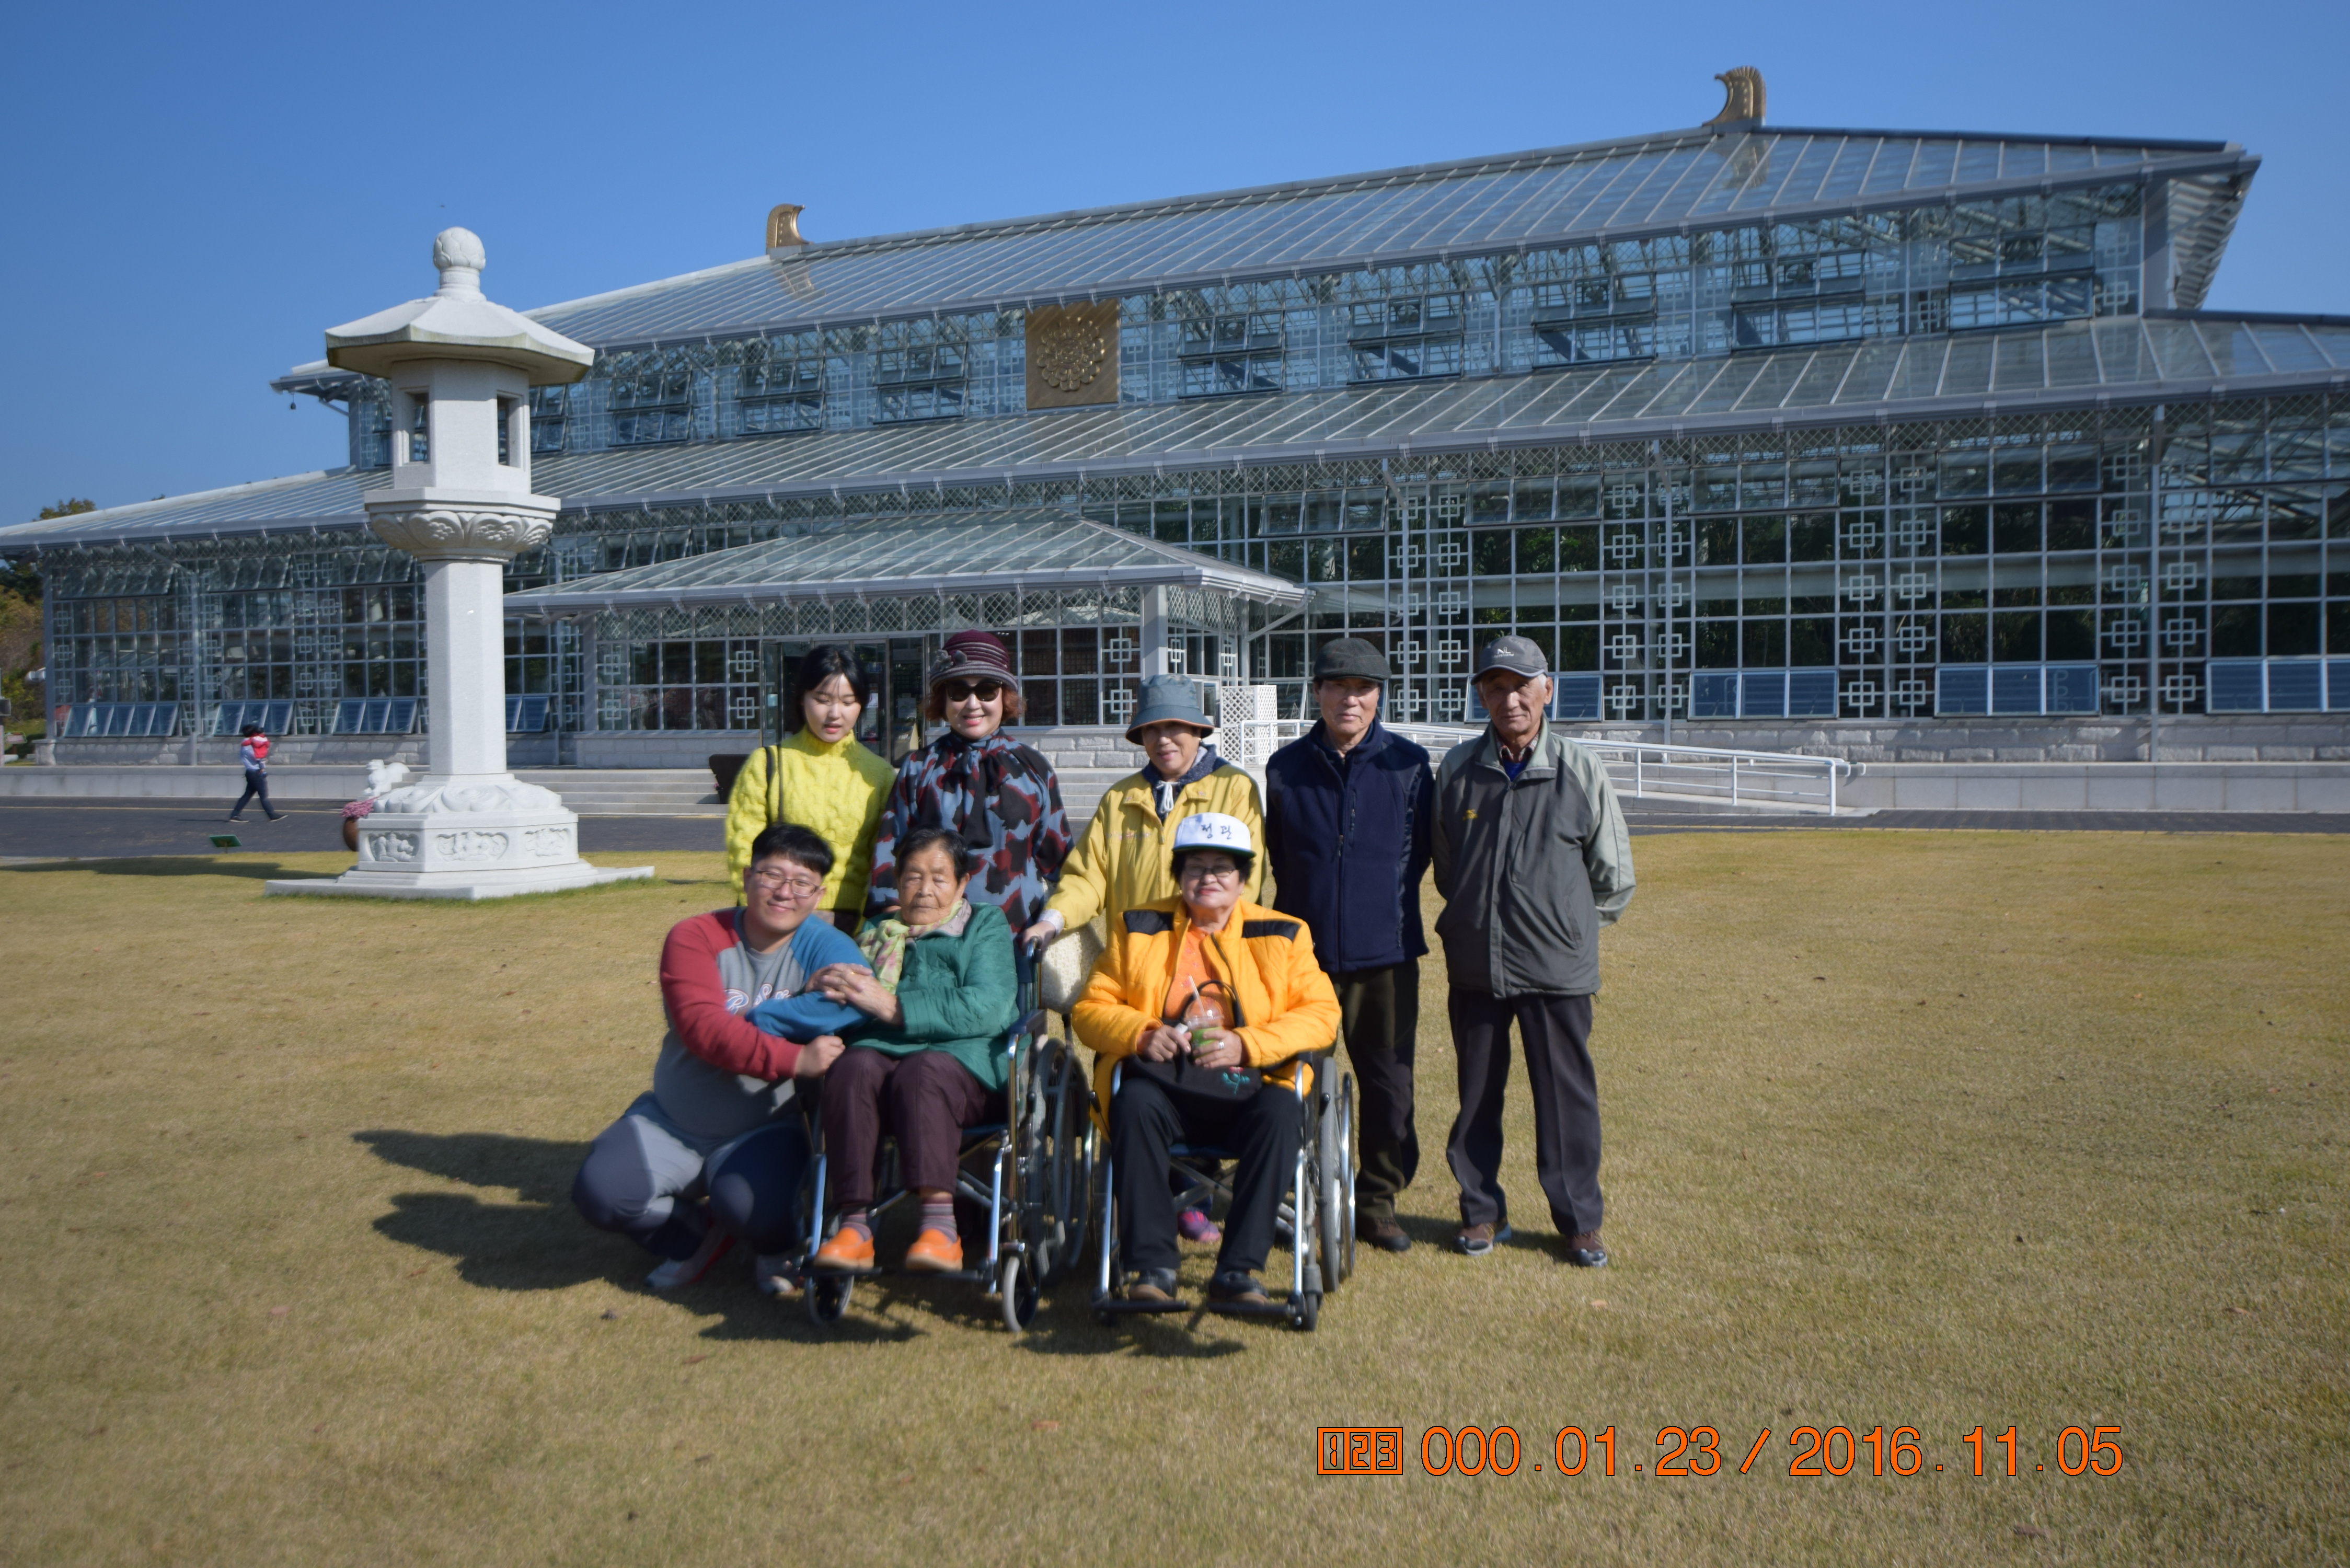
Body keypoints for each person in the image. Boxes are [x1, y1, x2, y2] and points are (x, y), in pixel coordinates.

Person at [570, 823, 860, 1295]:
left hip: (765, 1126)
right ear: (747, 877)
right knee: (602, 1195)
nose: (785, 892)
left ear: (818, 894)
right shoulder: (695, 936)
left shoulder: (823, 944)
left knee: (753, 1208)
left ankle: (774, 1246)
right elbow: (704, 1031)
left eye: (802, 883)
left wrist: (754, 1018)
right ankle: (695, 1237)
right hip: (672, 1120)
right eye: (771, 875)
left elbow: (851, 1001)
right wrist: (794, 1057)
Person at [1026, 673, 1263, 1247]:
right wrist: (1053, 919)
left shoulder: (1234, 789)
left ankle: (1194, 1192)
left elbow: (1246, 879)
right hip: (1137, 970)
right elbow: (1088, 876)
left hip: (1208, 967)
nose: (1164, 740)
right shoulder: (1121, 799)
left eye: (1176, 728)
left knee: (1202, 1070)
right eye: (1152, 730)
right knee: (1136, 1077)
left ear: (1199, 732)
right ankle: (1146, 1191)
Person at [1073, 813, 1341, 1308]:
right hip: (1165, 1085)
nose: (1209, 877)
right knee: (1133, 1103)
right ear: (1178, 875)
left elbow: (1322, 1015)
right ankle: (1152, 1268)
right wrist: (1141, 1033)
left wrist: (1248, 1044)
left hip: (1252, 1086)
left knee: (1283, 1114)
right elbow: (1091, 1009)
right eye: (1195, 866)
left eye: (1223, 867)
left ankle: (1238, 1271)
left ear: (1243, 879)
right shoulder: (1137, 927)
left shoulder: (1285, 934)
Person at [1433, 635, 1634, 1265]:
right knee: (1476, 1098)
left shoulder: (1579, 768)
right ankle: (1480, 1212)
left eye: (1521, 686)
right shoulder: (1457, 769)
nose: (1509, 699)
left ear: (1547, 690)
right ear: (1481, 696)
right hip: (1476, 964)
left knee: (1565, 1101)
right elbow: (1448, 868)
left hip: (1557, 969)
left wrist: (1568, 930)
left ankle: (1578, 1222)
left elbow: (1613, 876)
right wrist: (1477, 918)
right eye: (1495, 687)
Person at [1262, 637, 1433, 1255]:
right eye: (1337, 687)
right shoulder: (1283, 768)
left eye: (1362, 689)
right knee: (1293, 1082)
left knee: (1389, 1087)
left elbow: (1418, 854)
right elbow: (1281, 856)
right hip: (1301, 959)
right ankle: (1300, 1195)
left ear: (1378, 696)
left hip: (1385, 956)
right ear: (1316, 692)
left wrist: (1377, 909)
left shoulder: (1409, 765)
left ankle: (1378, 1201)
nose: (1349, 700)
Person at [802, 827, 1020, 1275]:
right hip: (883, 1059)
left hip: (968, 1065)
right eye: (913, 877)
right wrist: (821, 988)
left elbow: (989, 1007)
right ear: (897, 882)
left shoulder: (984, 925)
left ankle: (940, 1227)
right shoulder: (875, 933)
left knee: (922, 1071)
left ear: (962, 883)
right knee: (852, 1067)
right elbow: (848, 1007)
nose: (924, 890)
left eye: (939, 878)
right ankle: (853, 1226)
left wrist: (892, 1006)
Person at [867, 629, 1069, 935]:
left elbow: (1063, 865)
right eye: (959, 692)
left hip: (1014, 937)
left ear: (1005, 696)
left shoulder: (1034, 769)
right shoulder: (918, 768)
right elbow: (889, 855)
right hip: (932, 939)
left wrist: (1053, 924)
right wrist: (896, 931)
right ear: (943, 698)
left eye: (987, 691)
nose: (973, 704)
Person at [723, 644, 896, 929]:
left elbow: (884, 860)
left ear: (862, 704)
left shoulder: (880, 774)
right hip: (778, 916)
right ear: (802, 698)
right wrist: (760, 915)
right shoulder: (767, 765)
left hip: (850, 924)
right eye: (822, 699)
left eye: (848, 702)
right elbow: (743, 850)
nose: (835, 714)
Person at [228, 722, 284, 823]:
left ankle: (235, 815)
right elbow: (257, 757)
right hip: (256, 773)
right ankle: (272, 815)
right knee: (263, 795)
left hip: (251, 772)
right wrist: (263, 762)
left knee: (247, 795)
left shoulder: (245, 744)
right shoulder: (249, 747)